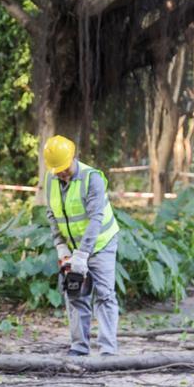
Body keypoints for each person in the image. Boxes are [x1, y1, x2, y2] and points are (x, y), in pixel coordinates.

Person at [42, 135, 121, 356]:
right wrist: (61, 247)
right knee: (75, 293)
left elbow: (96, 218)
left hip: (101, 244)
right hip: (73, 247)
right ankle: (79, 347)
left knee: (105, 294)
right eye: (57, 169)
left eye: (64, 168)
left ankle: (107, 351)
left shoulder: (91, 178)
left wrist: (82, 254)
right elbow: (52, 213)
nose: (62, 173)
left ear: (73, 158)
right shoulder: (51, 180)